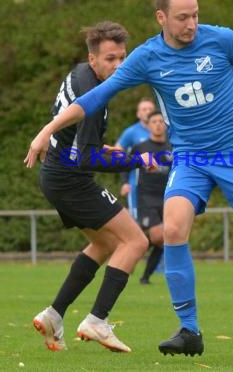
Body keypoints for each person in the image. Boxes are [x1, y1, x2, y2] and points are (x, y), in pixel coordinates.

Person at [25, 0, 233, 361]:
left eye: (194, 15)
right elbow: (95, 97)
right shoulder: (147, 57)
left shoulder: (222, 40)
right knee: (173, 228)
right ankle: (189, 331)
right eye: (182, 17)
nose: (191, 24)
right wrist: (47, 129)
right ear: (162, 17)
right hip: (191, 156)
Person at [29, 21, 152, 354]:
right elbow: (85, 158)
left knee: (104, 244)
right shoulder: (94, 96)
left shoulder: (83, 74)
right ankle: (97, 320)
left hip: (57, 176)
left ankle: (54, 314)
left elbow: (82, 143)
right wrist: (135, 162)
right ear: (93, 58)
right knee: (136, 241)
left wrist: (107, 149)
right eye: (110, 59)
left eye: (122, 57)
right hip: (71, 179)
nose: (118, 65)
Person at [130, 111, 171, 285]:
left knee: (162, 240)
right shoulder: (141, 147)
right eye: (154, 121)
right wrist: (125, 183)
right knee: (158, 236)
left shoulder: (172, 147)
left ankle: (145, 277)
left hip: (167, 197)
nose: (158, 124)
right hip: (146, 197)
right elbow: (126, 164)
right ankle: (132, 245)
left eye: (161, 121)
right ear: (148, 125)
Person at [115, 97, 156, 219]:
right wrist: (125, 182)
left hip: (160, 185)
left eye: (150, 109)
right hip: (137, 186)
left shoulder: (163, 130)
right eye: (144, 109)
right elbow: (117, 152)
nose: (147, 111)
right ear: (138, 113)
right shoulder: (131, 132)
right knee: (137, 225)